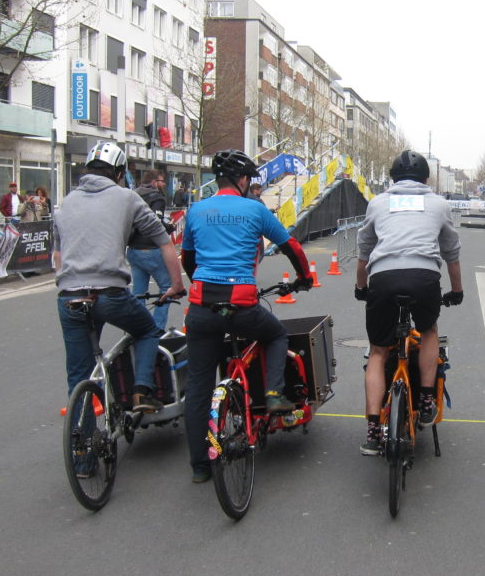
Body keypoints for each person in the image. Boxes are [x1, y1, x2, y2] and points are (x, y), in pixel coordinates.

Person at [181, 149, 313, 483]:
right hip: (242, 304)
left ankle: (199, 465)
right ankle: (272, 394)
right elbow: (291, 246)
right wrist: (304, 278)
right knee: (275, 334)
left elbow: (188, 259)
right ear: (242, 180)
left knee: (198, 386)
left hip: (201, 307)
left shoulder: (196, 210)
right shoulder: (254, 209)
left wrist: (202, 281)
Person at [54, 141, 185, 416]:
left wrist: (68, 280)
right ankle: (141, 391)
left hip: (70, 295)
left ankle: (82, 447)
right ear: (118, 172)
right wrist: (176, 285)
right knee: (147, 330)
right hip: (108, 292)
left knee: (78, 372)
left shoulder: (66, 202)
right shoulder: (127, 198)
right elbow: (164, 242)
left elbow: (57, 255)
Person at [354, 150, 463, 456]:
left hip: (383, 278)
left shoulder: (377, 203)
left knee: (377, 351)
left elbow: (364, 251)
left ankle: (374, 430)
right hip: (423, 276)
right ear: (426, 179)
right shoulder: (439, 204)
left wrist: (361, 287)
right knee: (428, 331)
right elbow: (451, 253)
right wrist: (456, 290)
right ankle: (427, 398)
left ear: (392, 178)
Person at [128, 170, 174, 331]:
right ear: (154, 182)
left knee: (138, 292)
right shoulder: (157, 198)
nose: (164, 185)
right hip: (150, 248)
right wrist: (170, 227)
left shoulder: (133, 196)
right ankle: (157, 328)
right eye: (162, 181)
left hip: (133, 249)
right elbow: (156, 223)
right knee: (167, 287)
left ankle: (137, 327)